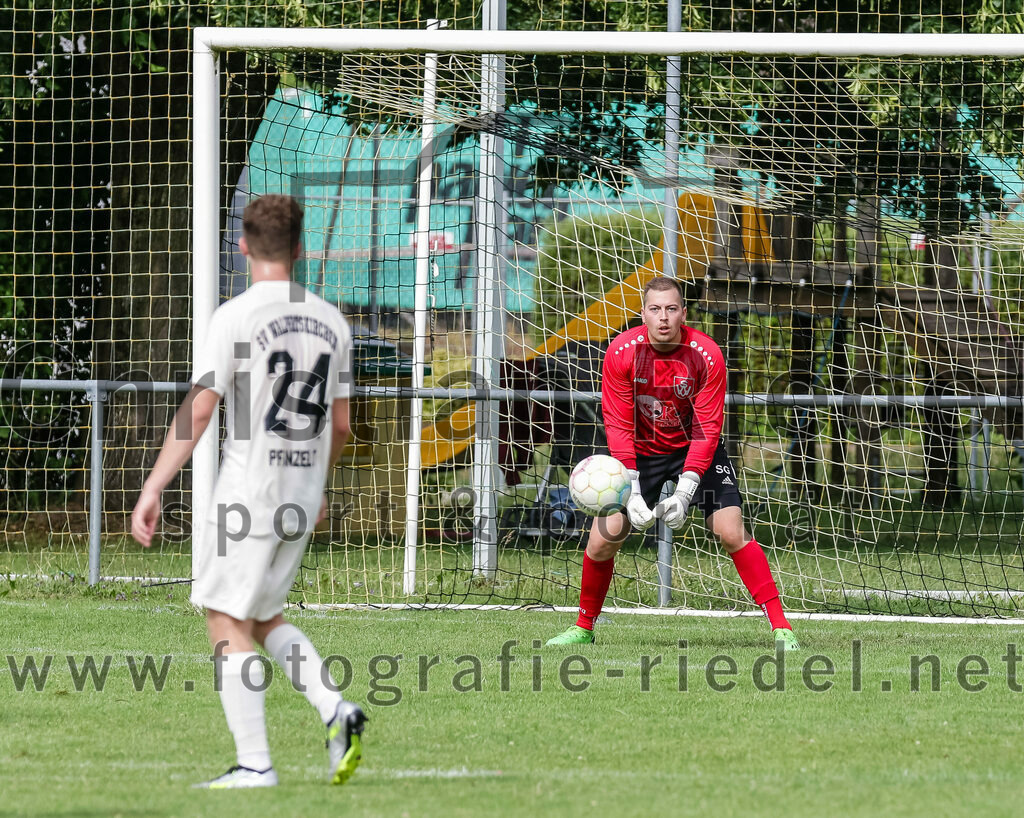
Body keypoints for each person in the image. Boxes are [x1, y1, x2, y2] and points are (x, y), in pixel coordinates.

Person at [131, 194, 367, 789]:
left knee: (224, 618)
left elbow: (200, 410)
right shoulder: (333, 321)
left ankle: (255, 764)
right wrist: (316, 490)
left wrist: (154, 484)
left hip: (249, 492)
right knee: (262, 616)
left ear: (242, 246)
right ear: (299, 249)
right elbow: (340, 426)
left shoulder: (235, 317)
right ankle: (335, 709)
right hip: (298, 493)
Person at [546, 276, 799, 650]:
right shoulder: (621, 352)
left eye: (670, 308)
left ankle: (781, 627)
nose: (663, 317)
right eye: (655, 309)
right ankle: (584, 628)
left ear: (683, 312)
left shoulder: (706, 353)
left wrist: (684, 493)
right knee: (604, 538)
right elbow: (617, 423)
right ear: (643, 314)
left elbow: (708, 428)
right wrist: (631, 490)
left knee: (730, 531)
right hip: (640, 450)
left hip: (694, 448)